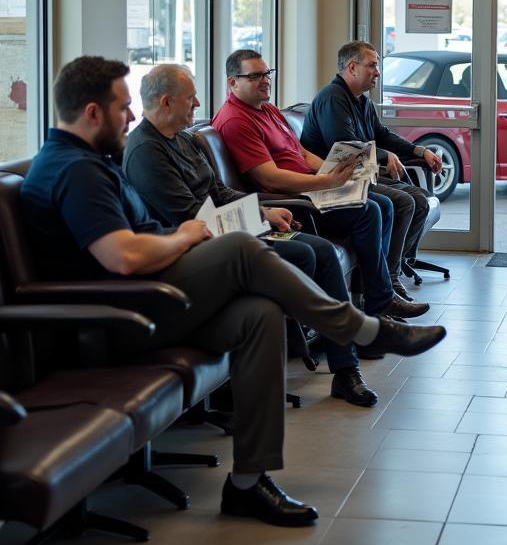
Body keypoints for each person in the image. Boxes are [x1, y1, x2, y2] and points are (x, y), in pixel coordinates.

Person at [20, 57, 447, 528]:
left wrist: (197, 231)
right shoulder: (75, 170)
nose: (130, 116)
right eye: (122, 108)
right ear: (92, 113)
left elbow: (162, 226)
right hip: (124, 316)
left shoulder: (92, 162)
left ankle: (247, 483)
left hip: (149, 297)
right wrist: (185, 236)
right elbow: (124, 257)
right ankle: (362, 329)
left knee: (259, 315)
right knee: (242, 249)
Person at [122, 63, 378, 407]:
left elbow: (218, 191)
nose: (197, 104)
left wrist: (263, 213)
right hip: (199, 248)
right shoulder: (145, 153)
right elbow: (189, 217)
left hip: (230, 226)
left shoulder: (184, 140)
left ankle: (345, 369)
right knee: (303, 254)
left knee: (322, 251)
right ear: (166, 103)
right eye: (190, 98)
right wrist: (251, 220)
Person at [209, 49, 427, 322]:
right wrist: (326, 181)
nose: (265, 80)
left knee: (383, 203)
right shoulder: (236, 120)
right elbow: (270, 178)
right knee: (370, 210)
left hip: (312, 190)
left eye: (267, 73)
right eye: (255, 76)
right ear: (233, 82)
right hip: (293, 203)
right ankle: (379, 302)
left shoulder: (268, 110)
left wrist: (333, 172)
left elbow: (300, 153)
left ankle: (376, 298)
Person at [301, 40, 442, 289]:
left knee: (420, 201)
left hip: (362, 175)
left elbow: (382, 134)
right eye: (372, 66)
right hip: (338, 181)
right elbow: (344, 146)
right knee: (406, 201)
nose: (377, 72)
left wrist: (419, 150)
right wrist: (385, 155)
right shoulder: (334, 98)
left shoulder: (361, 100)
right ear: (352, 67)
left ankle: (387, 272)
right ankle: (387, 281)